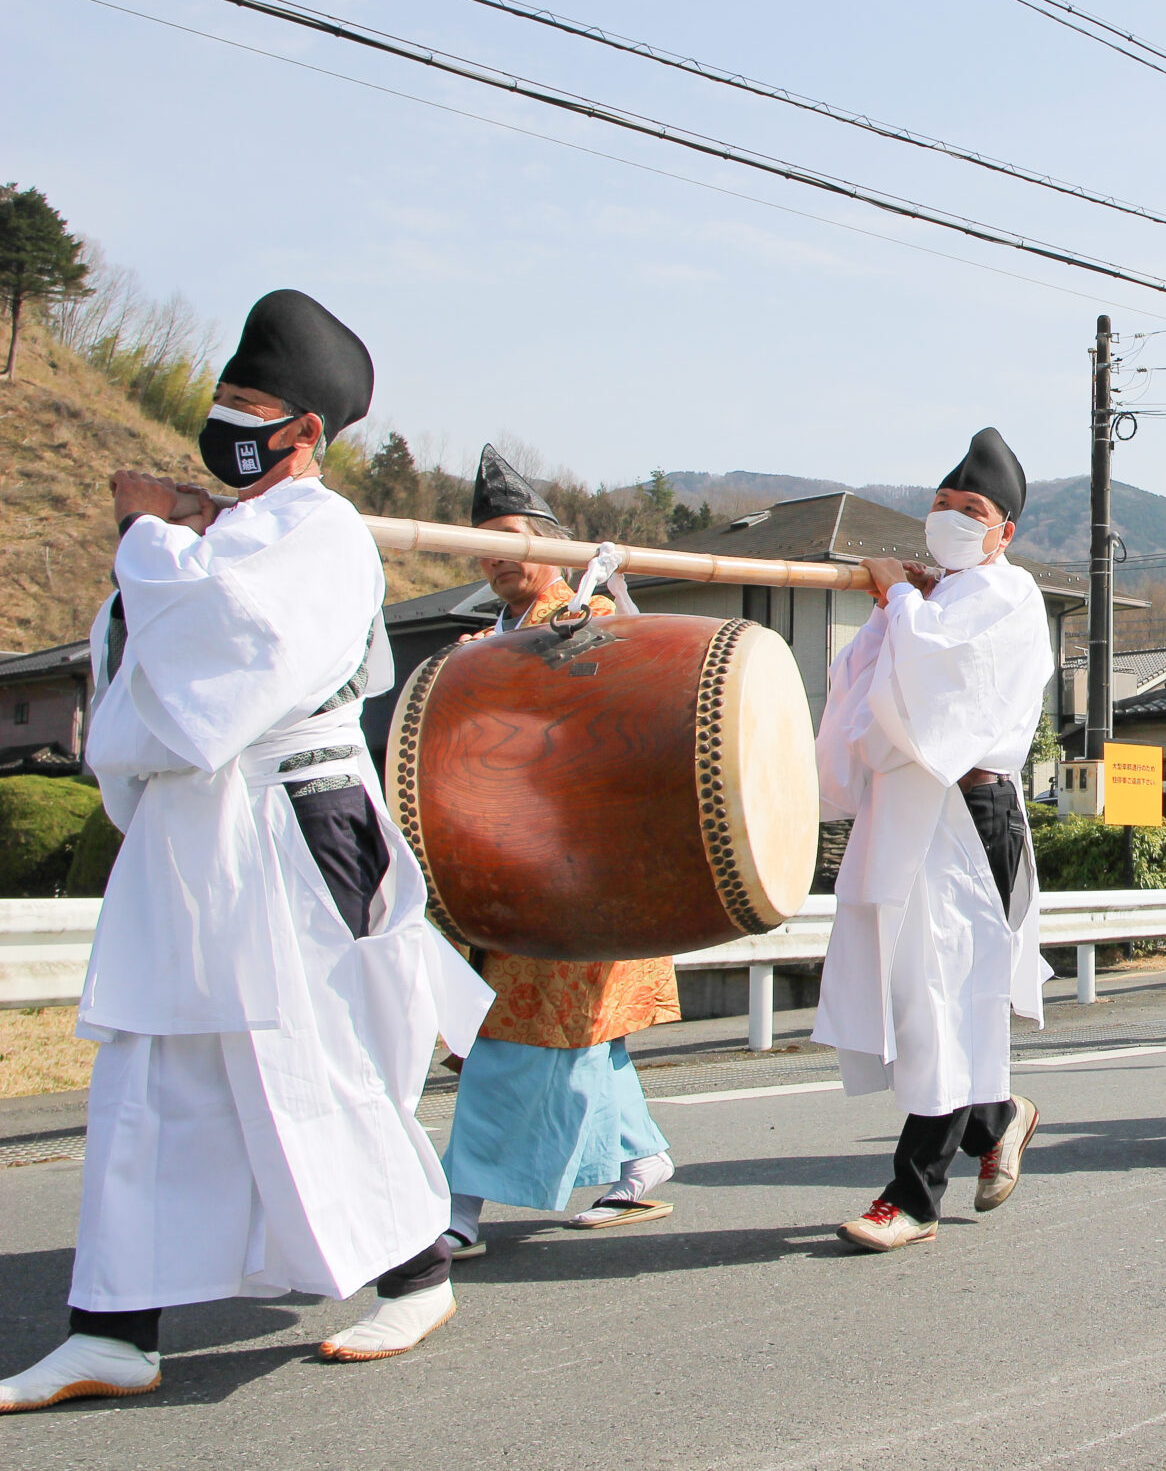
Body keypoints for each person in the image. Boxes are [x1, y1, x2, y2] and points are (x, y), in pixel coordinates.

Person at [2, 292, 492, 1413]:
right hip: (198, 831)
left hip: (289, 826)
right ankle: (112, 1328)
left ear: (308, 433)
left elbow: (234, 660)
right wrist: (168, 547)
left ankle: (415, 1270)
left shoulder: (323, 534)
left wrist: (149, 541)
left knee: (306, 1059)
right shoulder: (220, 534)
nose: (231, 422)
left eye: (256, 407)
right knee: (153, 1073)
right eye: (225, 400)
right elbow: (138, 667)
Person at [436, 447, 682, 1259]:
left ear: (550, 543)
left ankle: (458, 1204)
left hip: (579, 869)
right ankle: (641, 1162)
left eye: (511, 537)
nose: (497, 556)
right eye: (485, 542)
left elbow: (614, 725)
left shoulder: (588, 616)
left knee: (516, 1034)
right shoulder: (496, 632)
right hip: (506, 862)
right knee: (583, 1035)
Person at [813, 428, 1050, 1252]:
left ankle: (913, 1195)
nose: (951, 518)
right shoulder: (937, 597)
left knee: (944, 996)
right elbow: (870, 686)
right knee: (919, 998)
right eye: (943, 505)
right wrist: (896, 608)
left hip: (969, 815)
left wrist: (897, 602)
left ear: (1003, 530)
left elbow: (941, 686)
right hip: (911, 812)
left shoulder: (1007, 595)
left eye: (972, 509)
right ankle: (995, 1118)